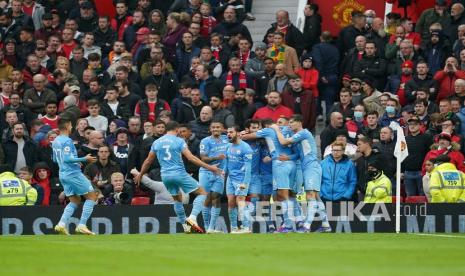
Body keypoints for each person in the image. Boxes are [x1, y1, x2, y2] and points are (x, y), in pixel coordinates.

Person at [134, 121, 222, 233]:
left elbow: (148, 161)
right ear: (176, 130)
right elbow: (191, 158)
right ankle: (192, 218)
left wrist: (140, 175)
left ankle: (186, 226)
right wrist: (210, 168)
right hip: (178, 173)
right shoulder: (179, 141)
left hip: (165, 176)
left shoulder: (156, 142)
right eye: (179, 131)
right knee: (203, 194)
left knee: (177, 199)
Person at [272, 115, 330, 232]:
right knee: (316, 196)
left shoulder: (304, 133)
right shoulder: (298, 138)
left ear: (299, 123)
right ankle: (325, 225)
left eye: (292, 122)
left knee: (310, 195)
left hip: (312, 167)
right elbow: (298, 155)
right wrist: (288, 157)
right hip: (307, 167)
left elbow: (283, 142)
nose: (290, 125)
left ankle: (306, 225)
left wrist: (276, 129)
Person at [52, 119, 98, 235]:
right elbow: (67, 159)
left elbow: (55, 159)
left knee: (75, 200)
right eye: (71, 125)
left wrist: (75, 162)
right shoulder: (67, 141)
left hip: (63, 174)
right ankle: (82, 225)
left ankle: (61, 224)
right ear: (67, 126)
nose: (72, 127)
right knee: (92, 196)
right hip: (72, 174)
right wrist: (84, 159)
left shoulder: (56, 140)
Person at [199, 121, 229, 233]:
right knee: (207, 198)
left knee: (216, 198)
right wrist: (216, 158)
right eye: (213, 127)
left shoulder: (227, 139)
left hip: (220, 173)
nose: (215, 129)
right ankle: (207, 227)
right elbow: (203, 158)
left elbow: (237, 138)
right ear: (210, 129)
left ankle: (211, 228)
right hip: (206, 172)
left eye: (218, 127)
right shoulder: (205, 141)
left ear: (222, 129)